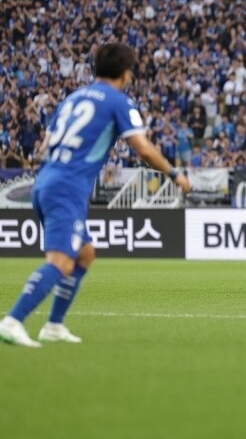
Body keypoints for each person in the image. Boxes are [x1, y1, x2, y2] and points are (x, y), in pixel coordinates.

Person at [0, 43, 192, 348]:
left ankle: (54, 325)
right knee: (61, 262)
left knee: (84, 253)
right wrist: (174, 174)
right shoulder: (119, 101)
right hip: (67, 188)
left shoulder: (73, 98)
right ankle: (13, 320)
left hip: (45, 181)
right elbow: (142, 149)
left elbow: (44, 145)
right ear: (126, 73)